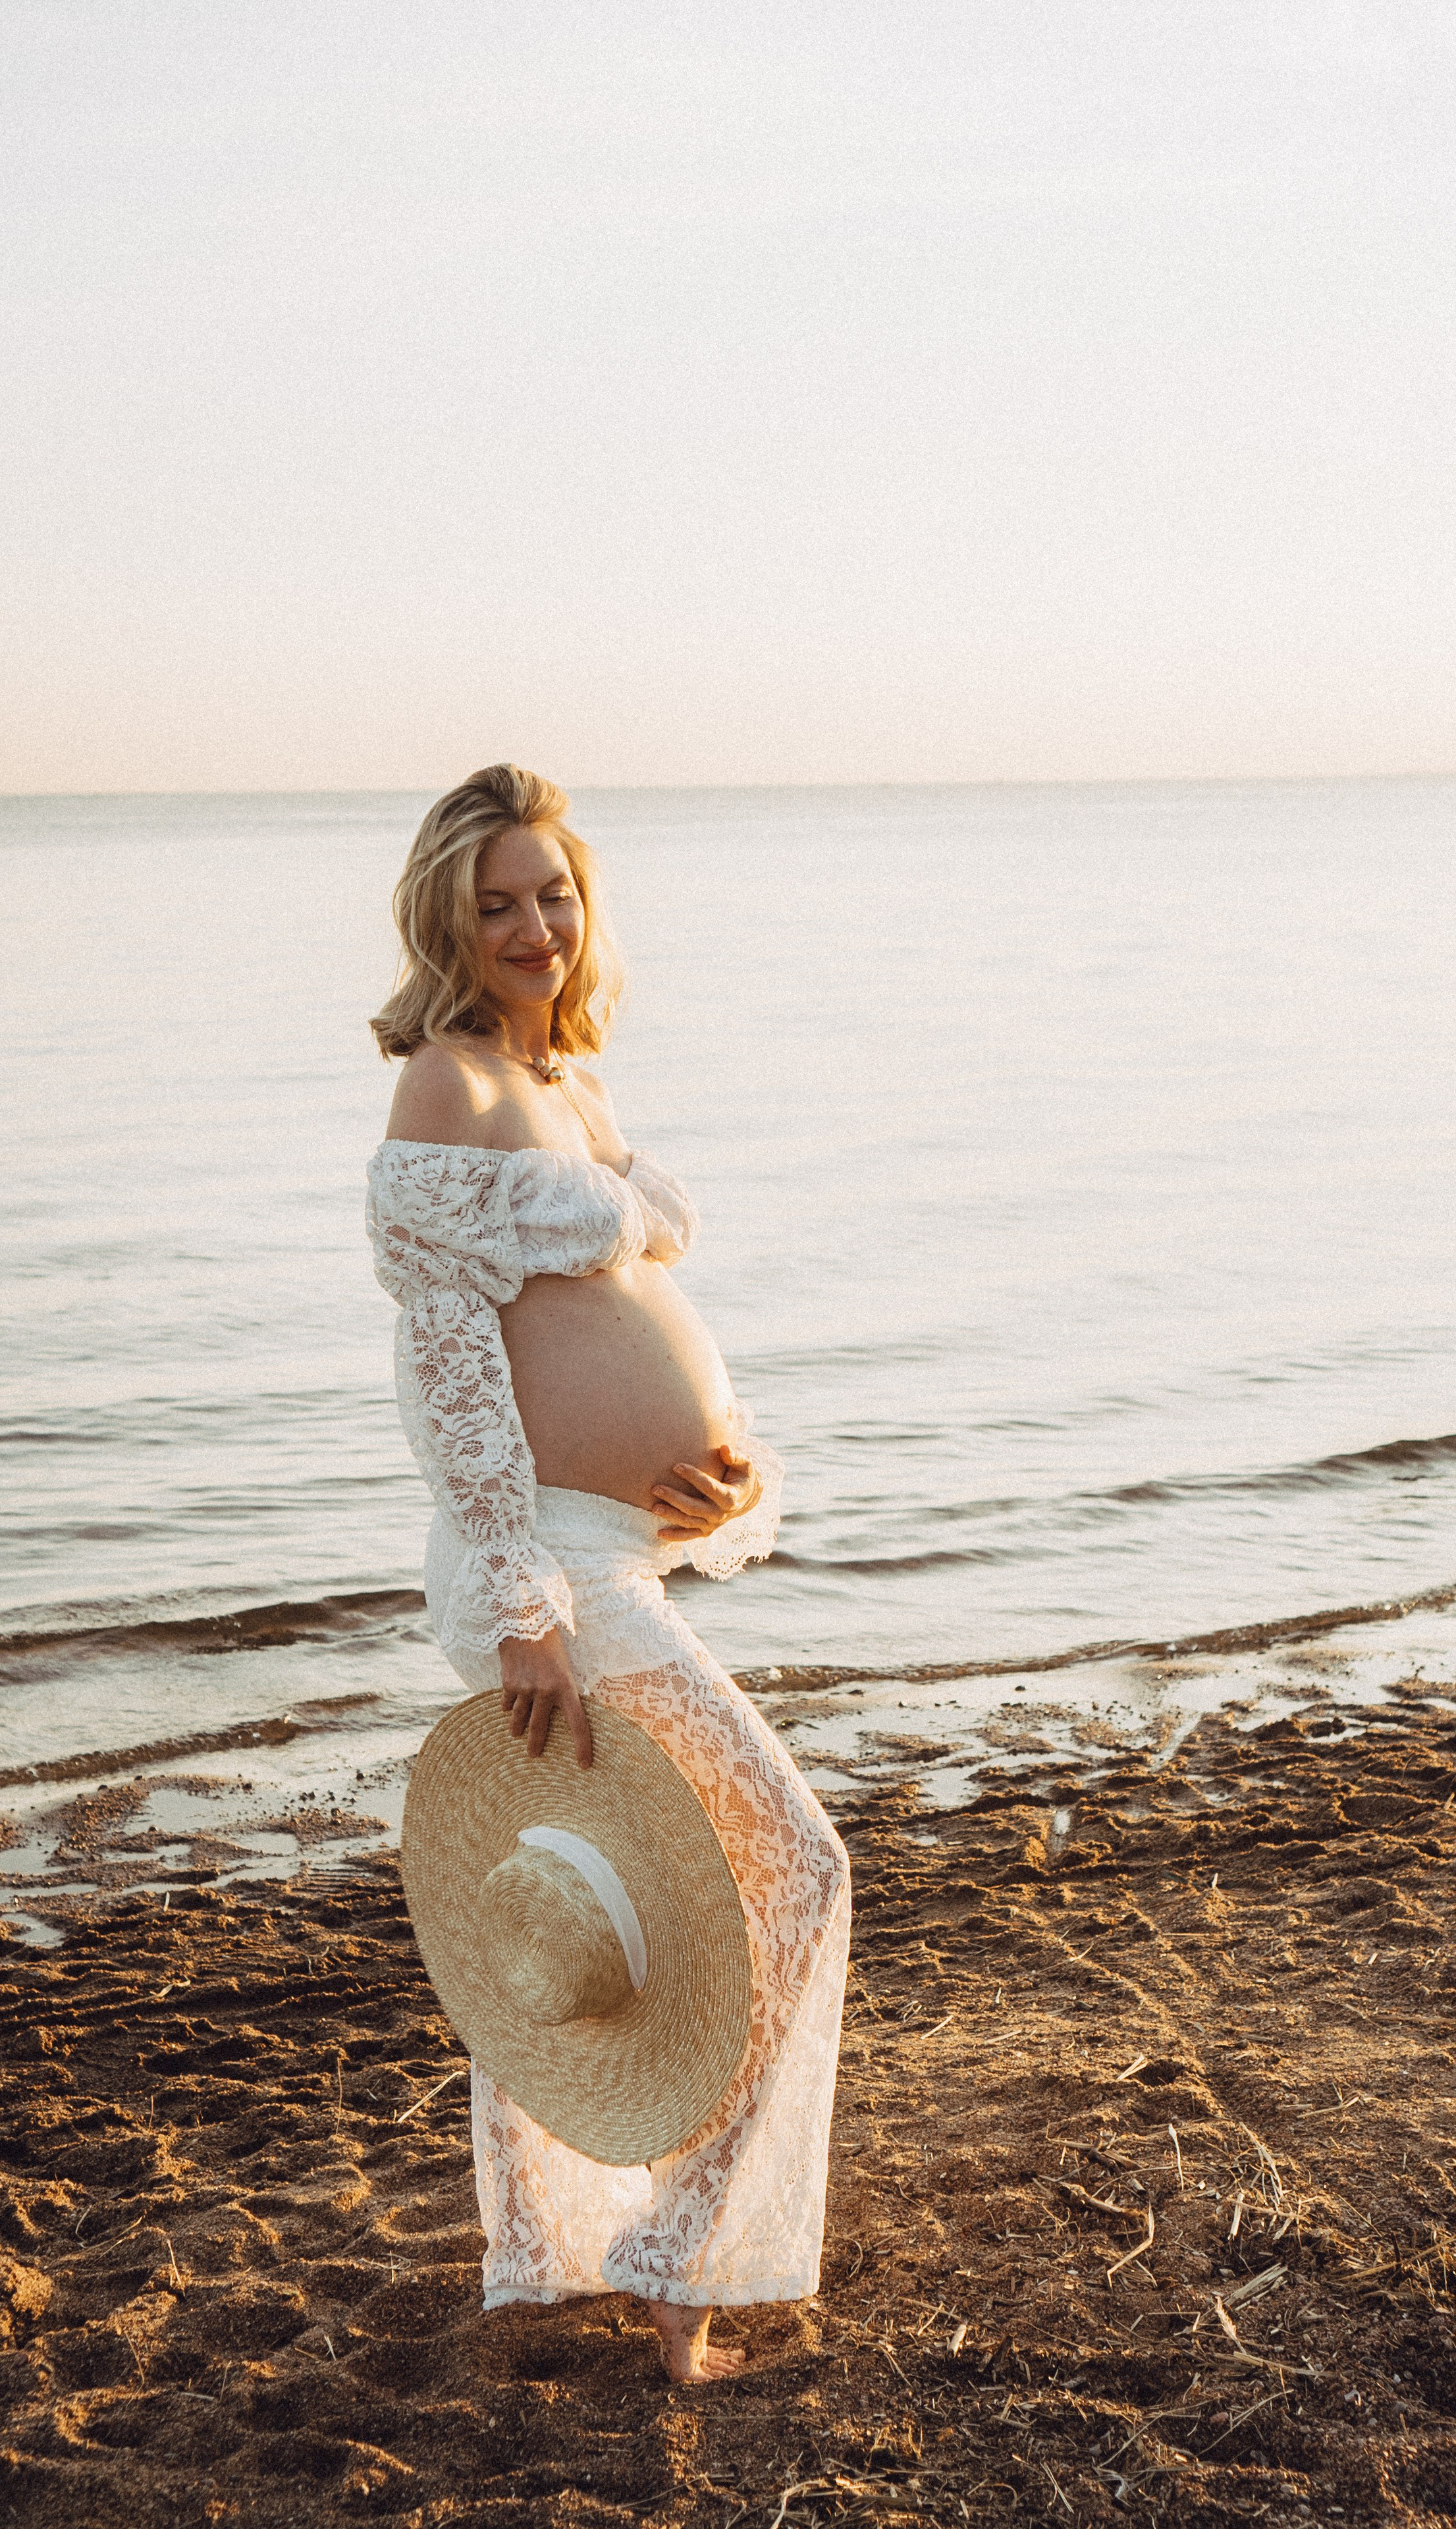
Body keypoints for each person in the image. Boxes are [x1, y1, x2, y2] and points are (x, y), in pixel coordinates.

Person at [366, 765, 850, 2381]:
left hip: (607, 1550)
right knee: (793, 1872)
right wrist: (525, 1606)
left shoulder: (565, 1081)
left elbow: (611, 1329)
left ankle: (555, 2255)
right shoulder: (445, 1086)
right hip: (552, 1579)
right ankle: (681, 2257)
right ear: (446, 919)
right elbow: (448, 1367)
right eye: (496, 902)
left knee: (588, 1900)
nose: (532, 927)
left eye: (554, 894)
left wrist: (727, 1473)